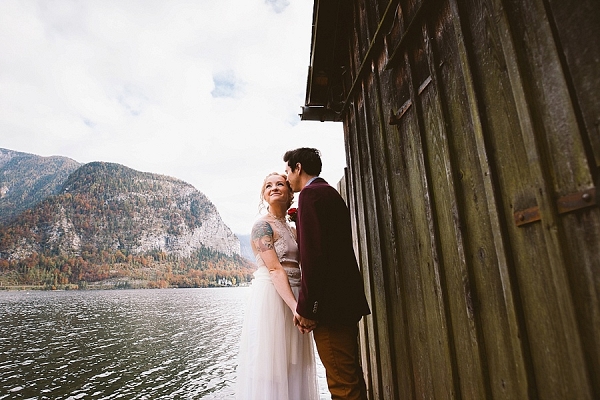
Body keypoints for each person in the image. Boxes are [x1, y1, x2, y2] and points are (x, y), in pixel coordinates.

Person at [284, 147, 371, 400]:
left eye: (288, 172)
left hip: (331, 308)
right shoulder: (328, 192)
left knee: (342, 385)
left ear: (298, 168)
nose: (287, 178)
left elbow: (314, 258)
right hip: (344, 303)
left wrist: (310, 309)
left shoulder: (311, 196)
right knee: (350, 375)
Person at [235, 172, 319, 400]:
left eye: (280, 184)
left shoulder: (293, 230)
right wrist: (296, 308)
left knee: (294, 365)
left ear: (290, 192)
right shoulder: (261, 227)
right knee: (270, 365)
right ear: (264, 195)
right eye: (268, 186)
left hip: (296, 293)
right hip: (272, 298)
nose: (273, 188)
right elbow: (274, 269)